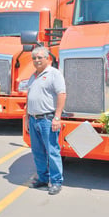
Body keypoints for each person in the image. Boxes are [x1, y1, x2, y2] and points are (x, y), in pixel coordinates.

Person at [25, 46, 66, 195]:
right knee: (37, 152)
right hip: (33, 119)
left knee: (52, 151)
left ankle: (56, 182)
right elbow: (28, 98)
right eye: (34, 58)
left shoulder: (54, 74)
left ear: (48, 58)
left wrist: (57, 117)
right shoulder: (33, 76)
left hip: (47, 119)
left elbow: (61, 94)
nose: (36, 60)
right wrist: (26, 118)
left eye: (39, 58)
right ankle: (43, 178)